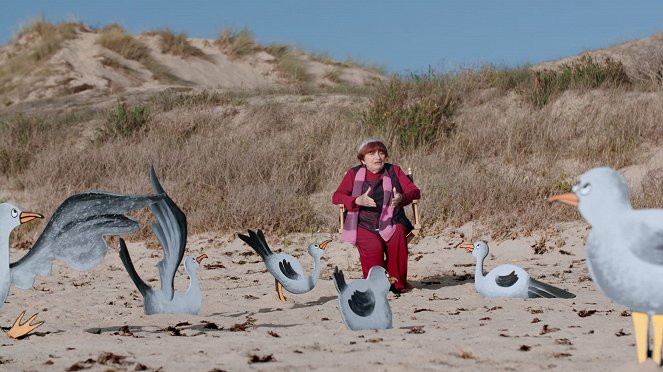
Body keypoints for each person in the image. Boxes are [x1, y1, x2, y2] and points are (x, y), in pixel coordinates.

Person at [332, 138, 420, 294]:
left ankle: (397, 284)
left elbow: (414, 191)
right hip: (363, 222)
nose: (377, 157)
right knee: (374, 248)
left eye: (381, 153)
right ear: (362, 159)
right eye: (371, 153)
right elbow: (337, 197)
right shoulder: (354, 174)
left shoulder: (394, 171)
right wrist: (357, 200)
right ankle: (376, 286)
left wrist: (401, 198)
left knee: (398, 233)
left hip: (392, 219)